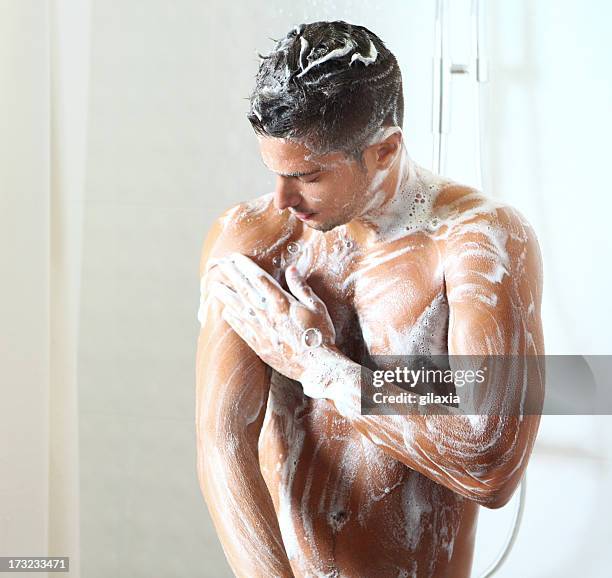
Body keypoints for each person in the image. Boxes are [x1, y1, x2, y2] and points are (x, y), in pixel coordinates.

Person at [195, 20, 544, 578]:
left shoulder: (479, 241)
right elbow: (222, 446)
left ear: (384, 151)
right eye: (274, 172)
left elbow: (492, 464)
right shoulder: (254, 239)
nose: (283, 198)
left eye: (307, 176)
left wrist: (320, 367)